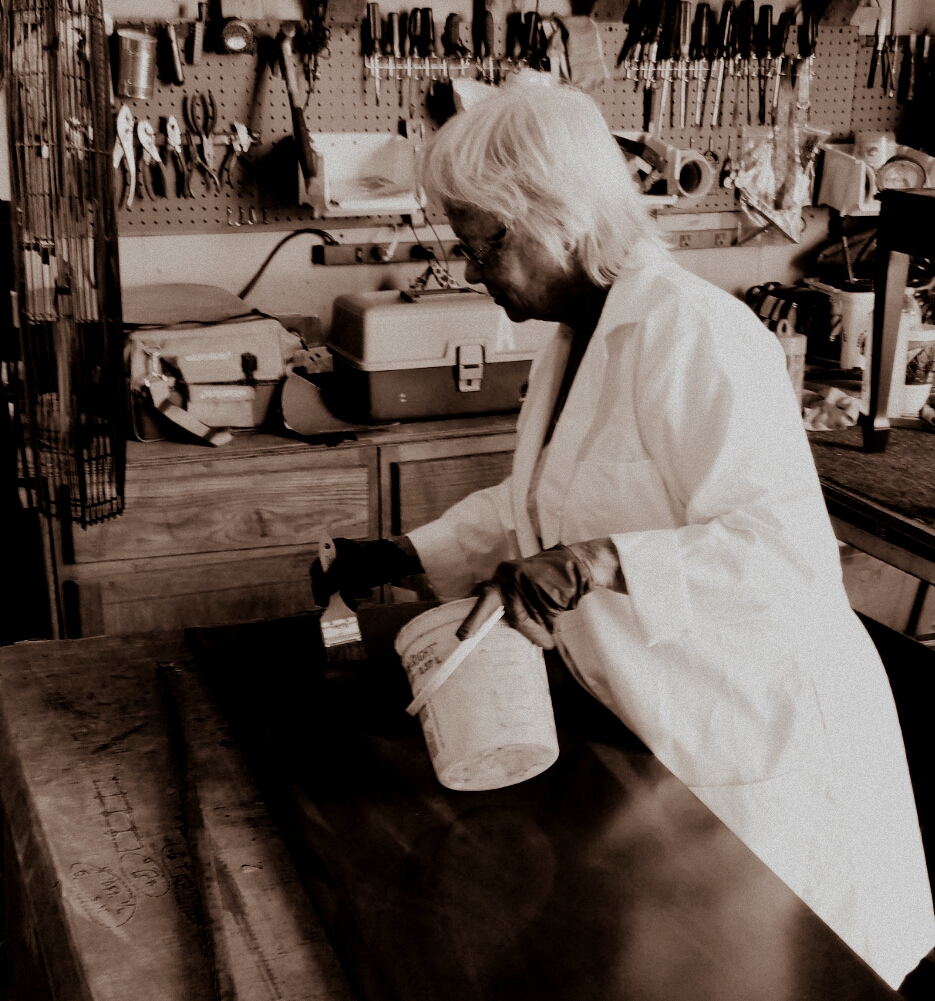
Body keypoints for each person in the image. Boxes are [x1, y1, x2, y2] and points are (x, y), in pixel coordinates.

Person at [311, 83, 935, 988]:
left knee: (788, 976)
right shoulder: (576, 336)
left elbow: (779, 552)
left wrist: (599, 561)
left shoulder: (696, 334)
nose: (475, 270)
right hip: (659, 732)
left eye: (485, 244)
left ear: (558, 215)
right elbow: (546, 501)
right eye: (464, 246)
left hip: (758, 739)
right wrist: (408, 554)